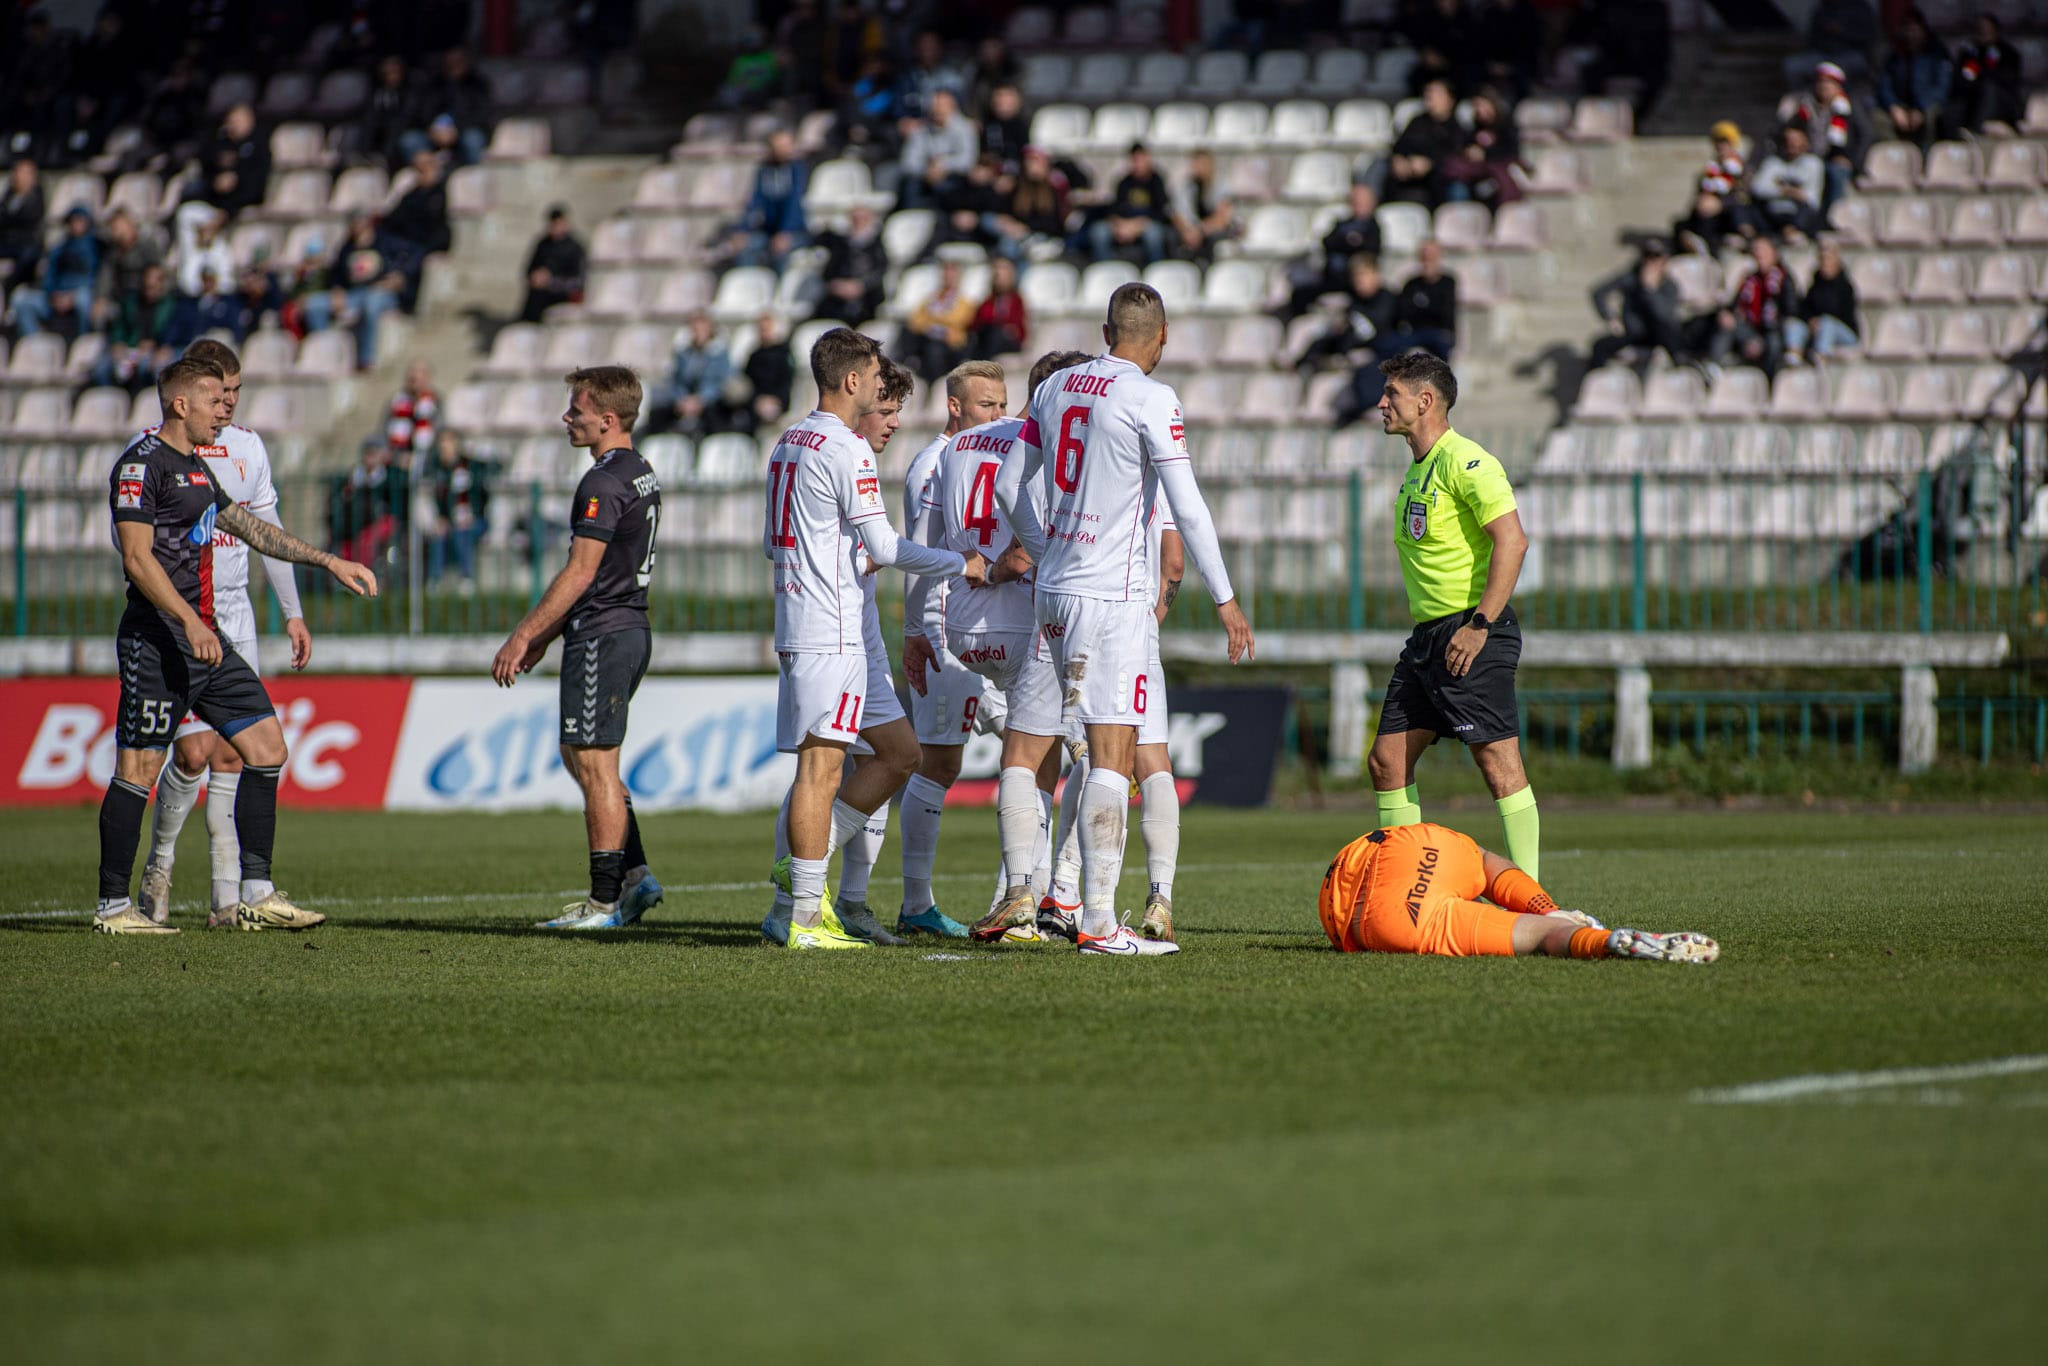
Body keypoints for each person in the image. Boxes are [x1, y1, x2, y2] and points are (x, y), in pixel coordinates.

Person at [988, 284, 1256, 955]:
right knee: (1112, 753)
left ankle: (1046, 895)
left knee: (1056, 746)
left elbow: (1008, 484)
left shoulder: (1054, 387)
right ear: (1161, 335)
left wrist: (1046, 549)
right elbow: (1186, 506)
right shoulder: (1151, 397)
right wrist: (1225, 598)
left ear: (1108, 331)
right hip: (1111, 597)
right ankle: (1102, 924)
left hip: (1054, 592)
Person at [94, 356, 377, 935]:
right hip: (159, 640)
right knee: (139, 768)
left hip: (208, 639)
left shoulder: (198, 469)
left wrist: (328, 561)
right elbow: (137, 559)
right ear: (180, 404)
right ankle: (113, 907)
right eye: (213, 399)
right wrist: (189, 622)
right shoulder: (140, 465)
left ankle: (256, 893)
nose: (222, 410)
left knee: (267, 746)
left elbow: (251, 529)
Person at [762, 328, 986, 950]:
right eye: (874, 377)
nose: (883, 399)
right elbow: (885, 547)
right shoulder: (845, 447)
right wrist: (961, 563)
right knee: (821, 768)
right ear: (852, 379)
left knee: (900, 753)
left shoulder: (788, 441)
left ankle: (803, 875)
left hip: (827, 629)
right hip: (828, 630)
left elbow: (774, 544)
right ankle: (804, 916)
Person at [133, 340, 314, 929]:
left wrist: (292, 611)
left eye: (236, 390)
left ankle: (228, 896)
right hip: (182, 617)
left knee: (237, 751)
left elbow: (267, 528)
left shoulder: (248, 447)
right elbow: (134, 542)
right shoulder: (155, 450)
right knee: (192, 752)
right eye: (220, 391)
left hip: (235, 612)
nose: (230, 402)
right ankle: (159, 866)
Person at [491, 367, 666, 932]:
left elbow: (581, 572)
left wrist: (525, 634)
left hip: (604, 632)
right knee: (581, 756)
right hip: (626, 628)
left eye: (577, 411)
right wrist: (547, 636)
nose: (567, 418)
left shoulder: (602, 482)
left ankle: (603, 904)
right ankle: (635, 877)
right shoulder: (639, 470)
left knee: (594, 764)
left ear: (607, 419)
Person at [1368, 352, 1539, 879]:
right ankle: (1402, 888)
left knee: (1497, 763)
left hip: (1471, 630)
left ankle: (1535, 899)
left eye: (1392, 394)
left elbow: (1513, 541)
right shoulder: (1418, 470)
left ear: (1425, 401)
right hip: (1428, 638)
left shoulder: (1467, 461)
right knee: (1387, 760)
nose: (1381, 403)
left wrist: (1479, 625)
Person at [895, 359, 1014, 937]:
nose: (998, 414)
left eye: (1003, 403)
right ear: (955, 406)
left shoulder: (994, 452)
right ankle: (916, 903)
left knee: (1030, 749)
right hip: (946, 629)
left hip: (991, 625)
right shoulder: (934, 464)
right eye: (987, 404)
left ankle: (1019, 896)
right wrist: (916, 630)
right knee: (940, 762)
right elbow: (920, 554)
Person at [1318, 823, 1718, 962]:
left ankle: (1610, 942)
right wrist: (1548, 910)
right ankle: (1585, 930)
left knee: (1539, 935)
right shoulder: (1460, 852)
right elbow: (1492, 867)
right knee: (1542, 929)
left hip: (1370, 912)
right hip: (1427, 848)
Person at [1282, 182, 1383, 322]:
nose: (1357, 203)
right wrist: (1348, 242)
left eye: (1361, 200)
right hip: (1331, 279)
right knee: (1300, 295)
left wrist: (1344, 243)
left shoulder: (1373, 228)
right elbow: (1327, 242)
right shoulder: (1342, 224)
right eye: (1354, 200)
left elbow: (1368, 251)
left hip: (1353, 282)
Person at [94, 263, 197, 392]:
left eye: (153, 285)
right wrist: (118, 343)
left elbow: (176, 335)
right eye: (147, 285)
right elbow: (120, 328)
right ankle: (111, 399)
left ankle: (143, 398)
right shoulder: (131, 303)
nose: (149, 289)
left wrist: (159, 346)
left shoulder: (174, 306)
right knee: (102, 367)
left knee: (147, 367)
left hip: (156, 351)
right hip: (131, 349)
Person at [1709, 236, 1800, 376]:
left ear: (1774, 253)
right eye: (1756, 250)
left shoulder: (1783, 278)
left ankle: (1769, 378)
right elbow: (1735, 304)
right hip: (1751, 328)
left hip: (1773, 330)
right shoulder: (1750, 279)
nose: (1758, 253)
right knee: (1727, 323)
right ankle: (1713, 368)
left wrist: (1761, 342)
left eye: (1763, 250)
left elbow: (1791, 311)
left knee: (1774, 342)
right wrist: (1727, 313)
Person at [1589, 239, 1686, 368]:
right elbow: (1598, 292)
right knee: (1599, 346)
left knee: (1672, 335)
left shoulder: (1669, 285)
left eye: (1656, 257)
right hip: (1632, 332)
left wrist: (1649, 290)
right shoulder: (1631, 278)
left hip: (1658, 333)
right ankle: (1596, 376)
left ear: (1664, 260)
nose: (1650, 262)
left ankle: (1681, 367)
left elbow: (1664, 314)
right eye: (1647, 256)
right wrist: (1610, 318)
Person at [725, 128, 809, 271]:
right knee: (746, 248)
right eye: (778, 146)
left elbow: (794, 203)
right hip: (768, 230)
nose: (783, 150)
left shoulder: (797, 169)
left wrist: (785, 231)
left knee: (781, 252)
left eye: (786, 145)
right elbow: (754, 202)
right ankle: (748, 282)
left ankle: (779, 284)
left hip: (795, 231)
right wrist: (742, 230)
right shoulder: (764, 170)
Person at [1787, 62, 1865, 209]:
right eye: (1821, 82)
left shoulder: (1848, 106)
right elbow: (1792, 129)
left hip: (1837, 159)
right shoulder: (1806, 106)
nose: (1824, 87)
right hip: (1810, 156)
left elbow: (1865, 135)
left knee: (1836, 171)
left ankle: (1836, 214)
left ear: (1838, 87)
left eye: (1829, 83)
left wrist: (1852, 161)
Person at [1089, 142, 1178, 264]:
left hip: (1146, 224)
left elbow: (1161, 212)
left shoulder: (1157, 181)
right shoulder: (1124, 182)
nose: (1138, 164)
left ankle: (1155, 267)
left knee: (1153, 234)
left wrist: (1138, 226)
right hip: (1125, 223)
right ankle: (1105, 268)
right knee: (1099, 231)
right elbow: (1114, 209)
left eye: (1141, 159)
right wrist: (1120, 225)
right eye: (1135, 160)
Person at [1382, 80, 1463, 209]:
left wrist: (1430, 164)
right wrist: (1398, 159)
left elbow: (1455, 156)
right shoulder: (1417, 121)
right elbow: (1400, 145)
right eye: (1428, 92)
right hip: (1408, 172)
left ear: (1450, 100)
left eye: (1437, 93)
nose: (1430, 96)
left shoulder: (1455, 127)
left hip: (1436, 179)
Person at [427, 428, 491, 588]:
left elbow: (485, 488)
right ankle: (436, 580)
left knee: (463, 530)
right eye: (441, 442)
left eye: (448, 442)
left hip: (476, 520)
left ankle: (466, 579)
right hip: (450, 520)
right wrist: (442, 519)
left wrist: (473, 514)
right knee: (440, 532)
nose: (444, 447)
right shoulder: (437, 469)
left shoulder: (471, 465)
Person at [1878, 13, 1952, 149]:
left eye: (1914, 30)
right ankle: (1897, 155)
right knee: (1878, 118)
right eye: (1907, 30)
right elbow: (1885, 85)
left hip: (1927, 105)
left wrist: (1921, 108)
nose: (1910, 34)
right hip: (1902, 106)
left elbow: (1942, 87)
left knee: (1931, 117)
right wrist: (1893, 106)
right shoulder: (1896, 55)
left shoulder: (1937, 54)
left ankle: (1926, 156)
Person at [655, 311, 733, 436]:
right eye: (695, 328)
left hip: (710, 403)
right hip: (685, 401)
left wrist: (701, 400)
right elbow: (676, 380)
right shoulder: (683, 354)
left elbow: (722, 382)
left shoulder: (720, 355)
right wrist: (682, 400)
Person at [897, 87, 977, 210]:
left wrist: (942, 165)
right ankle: (910, 216)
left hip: (954, 177)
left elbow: (967, 161)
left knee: (950, 187)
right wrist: (927, 170)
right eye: (935, 106)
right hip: (924, 176)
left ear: (953, 107)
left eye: (943, 106)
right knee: (910, 184)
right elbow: (908, 161)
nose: (938, 109)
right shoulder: (921, 129)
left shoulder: (965, 128)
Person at [896, 257, 976, 379]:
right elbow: (915, 319)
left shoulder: (964, 302)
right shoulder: (932, 298)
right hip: (927, 337)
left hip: (949, 344)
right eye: (946, 273)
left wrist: (931, 318)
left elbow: (957, 320)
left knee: (934, 349)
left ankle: (935, 380)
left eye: (952, 274)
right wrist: (935, 320)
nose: (948, 277)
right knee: (906, 331)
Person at [1443, 90, 1523, 209]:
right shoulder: (1473, 128)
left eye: (1482, 104)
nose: (1479, 109)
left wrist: (1485, 154)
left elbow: (1511, 153)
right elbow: (1462, 147)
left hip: (1498, 175)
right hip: (1476, 174)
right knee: (1457, 186)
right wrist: (1469, 152)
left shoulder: (1506, 127)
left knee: (1492, 188)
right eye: (1476, 106)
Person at [1785, 239, 1860, 363]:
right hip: (1818, 328)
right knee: (1795, 325)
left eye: (1828, 259)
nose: (1825, 263)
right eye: (1822, 259)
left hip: (1843, 332)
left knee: (1827, 323)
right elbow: (1805, 308)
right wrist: (1811, 321)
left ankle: (1821, 357)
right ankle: (1793, 357)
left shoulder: (1845, 287)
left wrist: (1820, 322)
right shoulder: (1815, 285)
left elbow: (1843, 314)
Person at [812, 202, 887, 324]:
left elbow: (880, 271)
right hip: (838, 295)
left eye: (862, 218)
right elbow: (829, 270)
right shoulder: (840, 243)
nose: (858, 222)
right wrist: (835, 285)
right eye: (855, 218)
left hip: (867, 297)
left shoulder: (877, 245)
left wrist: (860, 286)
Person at [1749, 124, 1826, 241]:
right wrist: (1784, 191)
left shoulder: (1813, 163)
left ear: (1805, 141)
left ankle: (1792, 232)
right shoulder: (1772, 162)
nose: (1791, 143)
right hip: (1773, 210)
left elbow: (1811, 198)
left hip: (1798, 213)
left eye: (1796, 140)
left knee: (1808, 211)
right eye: (1788, 139)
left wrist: (1787, 190)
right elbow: (1758, 188)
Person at [1952, 14, 2024, 134]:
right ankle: (1960, 133)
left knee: (1989, 89)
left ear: (1996, 30)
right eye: (1981, 28)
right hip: (1973, 97)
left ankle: (1979, 129)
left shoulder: (2008, 53)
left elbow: (2009, 80)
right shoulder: (1970, 52)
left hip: (2002, 101)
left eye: (1988, 28)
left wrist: (1984, 72)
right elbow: (1965, 76)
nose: (1984, 32)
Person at [1388, 240, 1459, 360]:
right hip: (1415, 332)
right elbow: (1404, 312)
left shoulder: (1448, 283)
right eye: (1424, 256)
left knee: (1440, 348)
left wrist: (1422, 308)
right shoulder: (1411, 284)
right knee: (1391, 345)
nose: (1428, 260)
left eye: (1432, 256)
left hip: (1439, 333)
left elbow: (1445, 313)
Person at [1785, 0, 1878, 88]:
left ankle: (1841, 97)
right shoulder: (1822, 10)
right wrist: (1825, 34)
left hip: (1850, 54)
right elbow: (1811, 40)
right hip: (1822, 54)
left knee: (1838, 69)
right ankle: (1805, 96)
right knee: (1792, 66)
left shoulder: (1859, 8)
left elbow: (1868, 37)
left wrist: (1842, 31)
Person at [520, 204, 585, 322]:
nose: (557, 228)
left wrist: (551, 282)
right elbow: (529, 270)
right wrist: (536, 277)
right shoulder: (543, 245)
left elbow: (579, 282)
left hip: (563, 298)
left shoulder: (575, 249)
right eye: (554, 224)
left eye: (560, 224)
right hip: (540, 298)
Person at [1172, 149, 1238, 263]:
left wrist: (1200, 231)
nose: (1200, 168)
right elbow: (1177, 214)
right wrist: (1187, 231)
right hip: (1192, 230)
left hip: (1213, 231)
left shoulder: (1222, 185)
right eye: (1196, 164)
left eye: (1203, 164)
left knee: (1211, 241)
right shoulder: (1187, 186)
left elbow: (1222, 219)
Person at [742, 313, 795, 432]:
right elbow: (749, 383)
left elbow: (787, 382)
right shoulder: (754, 356)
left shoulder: (784, 354)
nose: (764, 333)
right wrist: (757, 400)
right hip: (757, 404)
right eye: (761, 329)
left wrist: (776, 400)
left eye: (767, 329)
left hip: (779, 402)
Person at [970, 255, 1028, 359]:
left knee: (996, 334)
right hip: (988, 339)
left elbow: (1019, 329)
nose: (998, 275)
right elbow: (977, 323)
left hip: (1008, 342)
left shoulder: (1016, 301)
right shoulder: (988, 302)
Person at [0, 157, 45, 284]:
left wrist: (11, 217)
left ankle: (12, 285)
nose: (20, 177)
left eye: (24, 173)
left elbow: (29, 219)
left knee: (28, 257)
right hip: (6, 240)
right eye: (17, 172)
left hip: (27, 242)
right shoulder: (9, 195)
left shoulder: (37, 195)